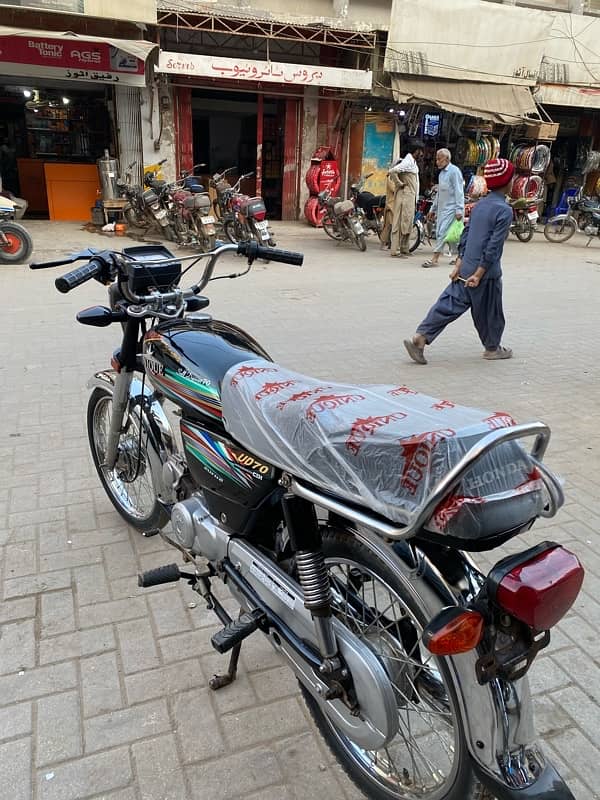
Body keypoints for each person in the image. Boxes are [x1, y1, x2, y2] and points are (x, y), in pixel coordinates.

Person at [403, 157, 515, 364]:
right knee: (491, 313)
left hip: (466, 268)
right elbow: (493, 246)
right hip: (484, 273)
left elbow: (467, 235)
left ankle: (420, 337)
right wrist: (479, 274)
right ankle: (492, 348)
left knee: (447, 305)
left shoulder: (479, 206)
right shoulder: (505, 211)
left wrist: (459, 264)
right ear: (507, 182)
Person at [422, 148, 464, 268]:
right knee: (452, 236)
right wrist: (432, 209)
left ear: (446, 159)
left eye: (439, 159)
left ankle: (435, 259)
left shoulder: (454, 172)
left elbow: (459, 191)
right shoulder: (442, 174)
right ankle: (460, 257)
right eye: (436, 159)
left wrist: (459, 209)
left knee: (442, 233)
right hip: (442, 209)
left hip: (452, 209)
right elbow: (439, 193)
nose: (437, 161)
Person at [388, 140, 424, 258]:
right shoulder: (408, 161)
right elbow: (392, 171)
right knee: (400, 222)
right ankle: (396, 250)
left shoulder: (412, 162)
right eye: (420, 151)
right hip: (405, 196)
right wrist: (399, 183)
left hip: (410, 196)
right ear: (416, 151)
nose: (421, 153)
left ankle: (405, 248)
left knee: (407, 222)